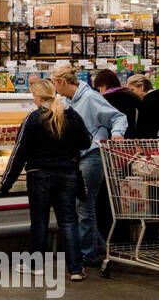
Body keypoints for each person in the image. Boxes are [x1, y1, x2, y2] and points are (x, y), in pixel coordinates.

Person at [0, 79, 91, 282]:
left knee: (39, 222)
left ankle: (35, 266)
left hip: (39, 175)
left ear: (38, 97)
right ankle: (76, 269)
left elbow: (19, 153)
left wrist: (6, 183)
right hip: (67, 174)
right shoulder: (72, 116)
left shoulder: (33, 118)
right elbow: (87, 141)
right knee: (68, 221)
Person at [50, 65, 127, 268]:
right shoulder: (65, 101)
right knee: (81, 205)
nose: (54, 88)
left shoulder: (90, 98)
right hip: (77, 157)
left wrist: (118, 133)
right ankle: (98, 245)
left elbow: (118, 117)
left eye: (55, 84)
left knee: (84, 206)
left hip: (92, 155)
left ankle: (87, 254)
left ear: (63, 82)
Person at [94, 69, 140, 137]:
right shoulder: (132, 95)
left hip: (114, 139)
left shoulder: (106, 100)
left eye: (100, 89)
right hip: (134, 139)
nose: (100, 93)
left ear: (104, 85)